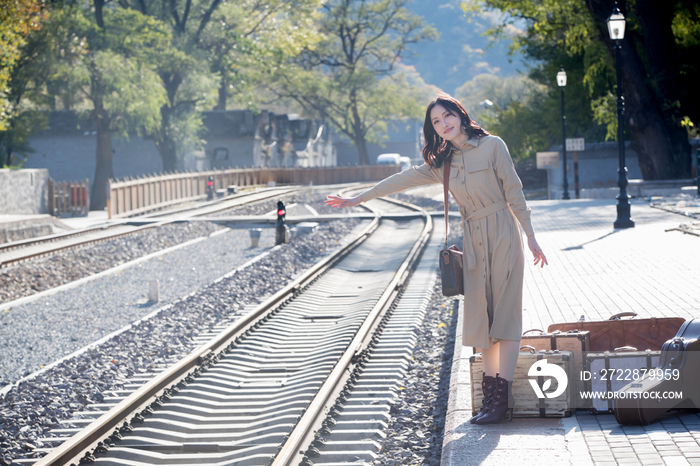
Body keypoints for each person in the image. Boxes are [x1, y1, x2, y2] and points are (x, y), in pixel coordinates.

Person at [326, 93, 548, 425]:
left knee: (506, 313)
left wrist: (530, 235)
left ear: (460, 114)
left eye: (447, 116)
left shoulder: (492, 146)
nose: (444, 124)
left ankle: (502, 398)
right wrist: (359, 198)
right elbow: (400, 180)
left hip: (503, 232)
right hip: (472, 237)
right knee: (480, 316)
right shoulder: (442, 162)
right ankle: (489, 399)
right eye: (436, 122)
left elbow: (514, 191)